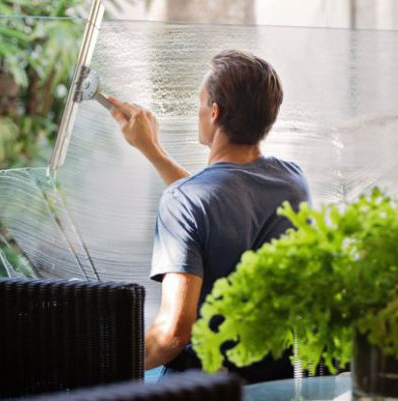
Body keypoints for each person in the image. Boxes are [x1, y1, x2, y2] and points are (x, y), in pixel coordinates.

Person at [107, 50, 310, 383]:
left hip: (205, 386)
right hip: (274, 381)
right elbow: (221, 200)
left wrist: (99, 362)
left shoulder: (185, 201)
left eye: (200, 103)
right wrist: (153, 151)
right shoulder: (293, 182)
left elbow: (172, 335)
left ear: (214, 113)